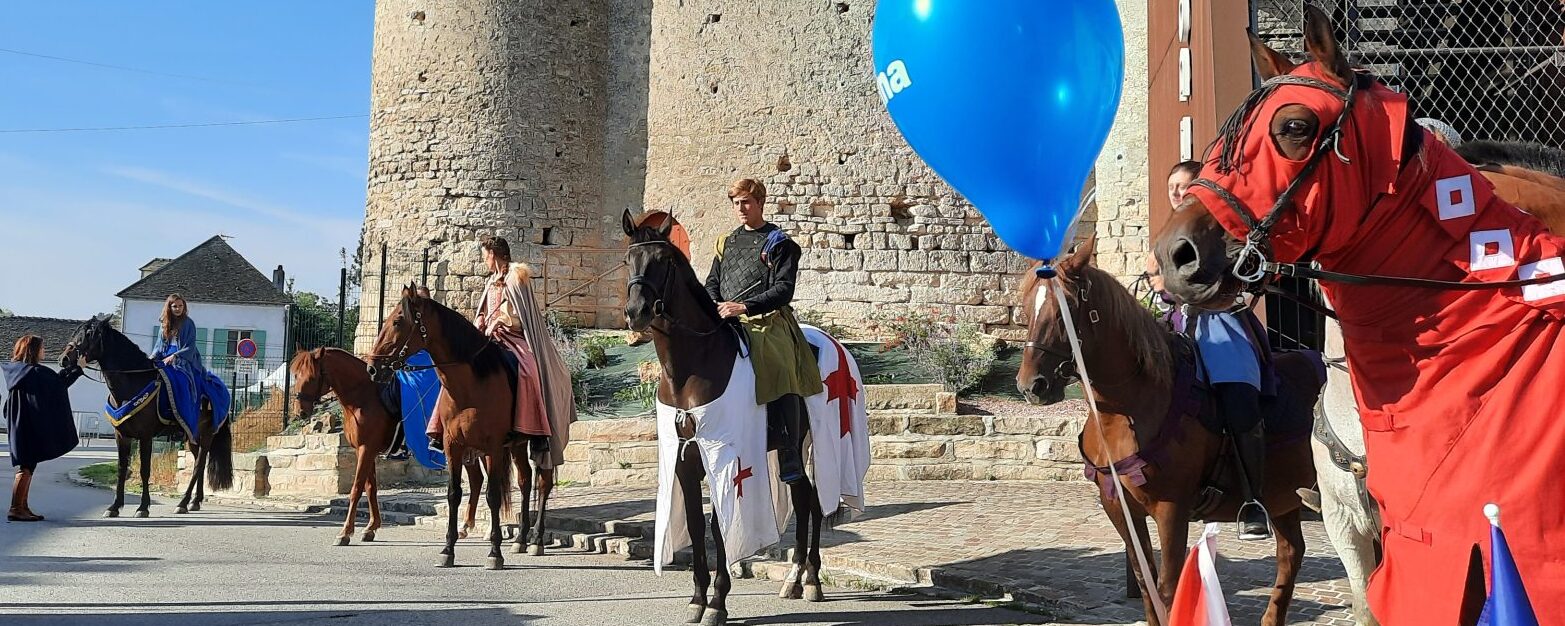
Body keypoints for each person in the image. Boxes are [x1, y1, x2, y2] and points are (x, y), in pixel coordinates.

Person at [1148, 162, 1272, 541]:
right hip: (1174, 328)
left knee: (1237, 399)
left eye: (1183, 185)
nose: (1175, 192)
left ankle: (1254, 500)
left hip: (1219, 326)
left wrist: (1168, 284)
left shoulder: (1222, 232)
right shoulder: (1165, 237)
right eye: (1171, 185)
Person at [703, 178, 823, 485]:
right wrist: (717, 303)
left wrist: (743, 307)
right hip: (726, 317)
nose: (741, 209)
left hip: (768, 321)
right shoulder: (726, 242)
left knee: (780, 365)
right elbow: (712, 281)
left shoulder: (779, 243)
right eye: (736, 203)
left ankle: (789, 451)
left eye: (746, 202)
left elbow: (784, 289)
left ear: (760, 203)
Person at [4, 335, 83, 521]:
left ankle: (22, 506)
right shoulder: (34, 373)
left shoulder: (19, 371)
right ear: (33, 350)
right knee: (26, 465)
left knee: (28, 465)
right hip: (28, 425)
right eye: (41, 348)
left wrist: (75, 369)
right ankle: (16, 508)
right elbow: (58, 385)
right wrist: (78, 369)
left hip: (20, 423)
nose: (44, 351)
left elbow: (54, 382)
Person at [153, 294, 205, 379]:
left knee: (182, 378)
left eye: (180, 306)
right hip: (164, 356)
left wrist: (175, 356)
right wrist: (152, 357)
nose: (178, 309)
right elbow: (159, 345)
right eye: (175, 306)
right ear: (170, 307)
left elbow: (190, 346)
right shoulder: (164, 323)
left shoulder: (189, 323)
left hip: (183, 358)